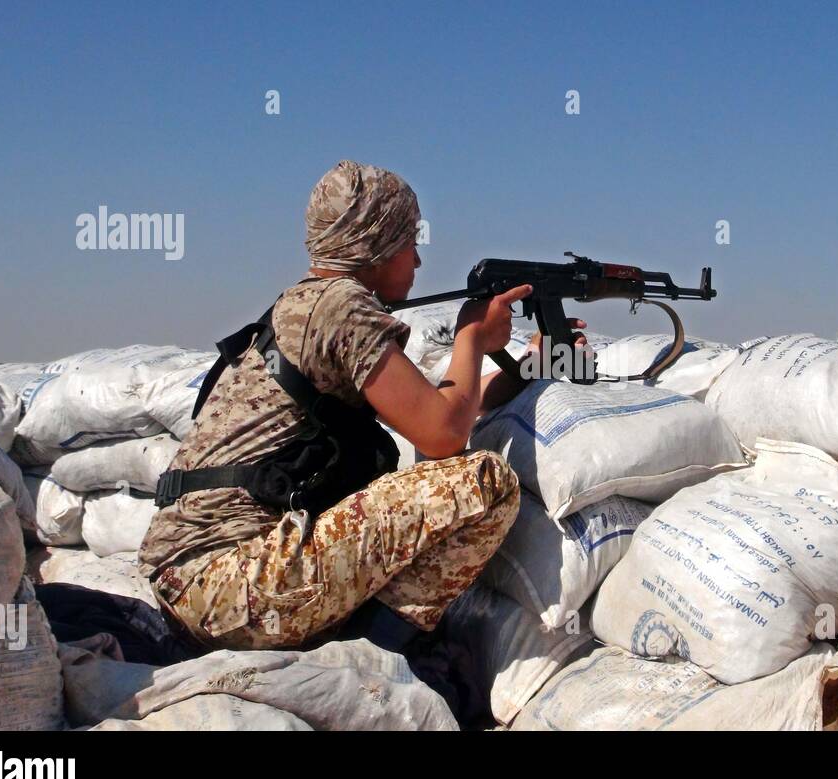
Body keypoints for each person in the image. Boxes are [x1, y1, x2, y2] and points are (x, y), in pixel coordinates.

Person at [139, 160, 585, 652]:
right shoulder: (340, 306)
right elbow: (441, 435)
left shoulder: (309, 304)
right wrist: (472, 337)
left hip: (201, 582)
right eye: (410, 242)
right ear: (377, 245)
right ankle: (369, 659)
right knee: (487, 484)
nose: (417, 261)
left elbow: (440, 405)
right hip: (226, 579)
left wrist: (527, 367)